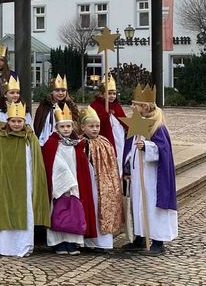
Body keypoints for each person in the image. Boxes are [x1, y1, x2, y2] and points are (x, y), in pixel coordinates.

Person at [123, 85, 177, 255]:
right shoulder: (137, 124)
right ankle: (140, 237)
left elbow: (164, 151)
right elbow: (130, 148)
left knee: (151, 206)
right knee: (138, 205)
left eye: (135, 105)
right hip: (139, 176)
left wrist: (146, 146)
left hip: (153, 177)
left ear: (144, 107)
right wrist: (127, 166)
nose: (132, 108)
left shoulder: (157, 127)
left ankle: (157, 241)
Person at [0, 102, 50, 257]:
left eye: (19, 121)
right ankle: (6, 246)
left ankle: (25, 244)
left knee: (26, 210)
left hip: (26, 180)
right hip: (7, 182)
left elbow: (36, 161)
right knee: (7, 209)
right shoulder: (2, 138)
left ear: (24, 121)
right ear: (8, 121)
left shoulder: (30, 138)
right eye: (13, 121)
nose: (16, 124)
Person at [41, 106, 95, 255]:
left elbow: (81, 165)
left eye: (69, 126)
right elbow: (54, 164)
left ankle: (72, 243)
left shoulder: (76, 144)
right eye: (63, 126)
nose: (66, 129)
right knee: (58, 211)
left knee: (74, 211)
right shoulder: (51, 144)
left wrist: (75, 184)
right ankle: (58, 243)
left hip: (75, 186)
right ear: (57, 128)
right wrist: (64, 183)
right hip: (59, 186)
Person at [79, 107, 124, 252]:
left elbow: (111, 164)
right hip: (89, 181)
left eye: (97, 126)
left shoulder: (104, 142)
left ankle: (103, 242)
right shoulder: (80, 143)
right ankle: (89, 241)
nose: (95, 129)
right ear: (83, 127)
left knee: (103, 208)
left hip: (103, 183)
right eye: (91, 126)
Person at [90, 76, 128, 176]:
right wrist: (104, 116)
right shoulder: (95, 106)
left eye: (114, 93)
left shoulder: (116, 106)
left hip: (118, 139)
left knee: (119, 161)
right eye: (109, 93)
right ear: (102, 94)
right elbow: (93, 122)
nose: (112, 96)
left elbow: (124, 121)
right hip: (105, 140)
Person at [34, 74, 80, 145]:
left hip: (64, 142)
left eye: (63, 90)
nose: (60, 93)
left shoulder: (70, 106)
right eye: (57, 90)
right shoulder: (44, 105)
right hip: (45, 139)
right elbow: (38, 124)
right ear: (52, 91)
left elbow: (76, 124)